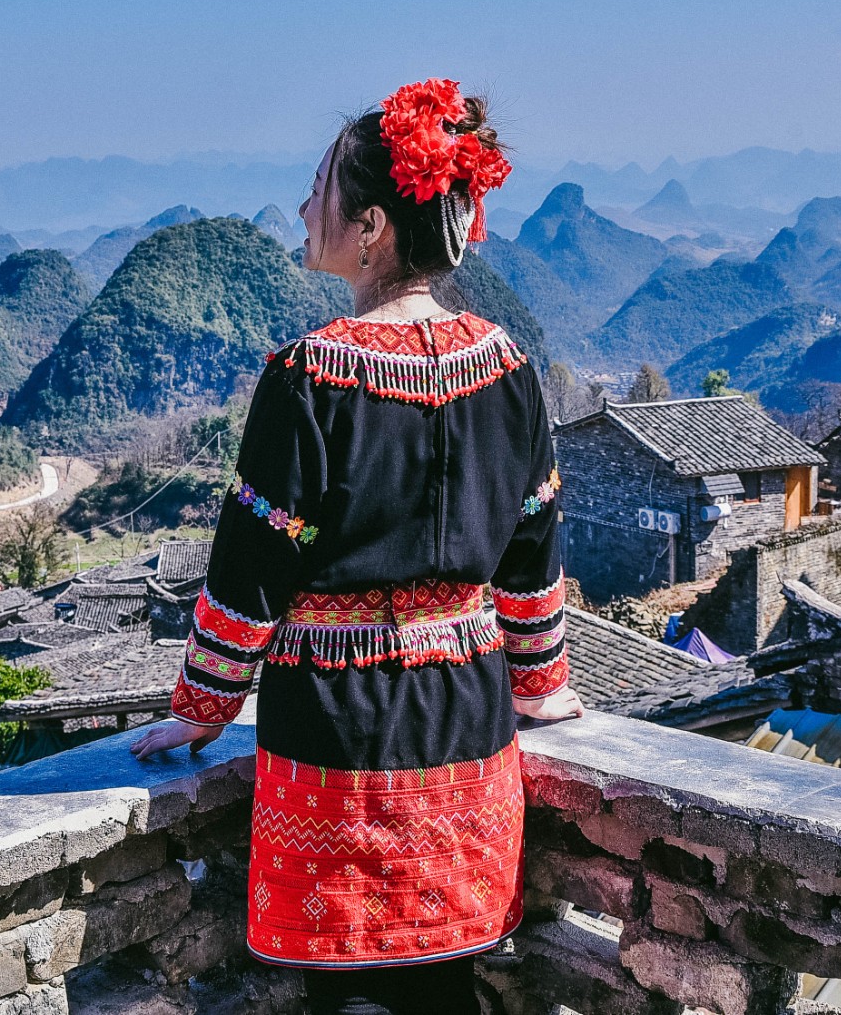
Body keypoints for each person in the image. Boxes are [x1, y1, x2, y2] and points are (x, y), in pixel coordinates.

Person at [133, 79, 583, 1015]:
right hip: (467, 729)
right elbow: (531, 557)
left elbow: (252, 572)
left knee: (348, 999)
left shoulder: (308, 380)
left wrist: (203, 706)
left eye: (320, 188)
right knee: (443, 992)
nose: (304, 209)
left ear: (372, 225)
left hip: (338, 737)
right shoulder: (509, 370)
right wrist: (541, 685)